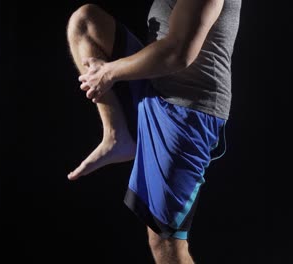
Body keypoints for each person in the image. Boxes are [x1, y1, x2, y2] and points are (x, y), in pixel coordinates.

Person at [66, 0, 241, 263]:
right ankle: (117, 135)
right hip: (155, 86)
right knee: (86, 24)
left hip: (187, 109)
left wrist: (109, 72)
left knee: (166, 243)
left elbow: (178, 53)